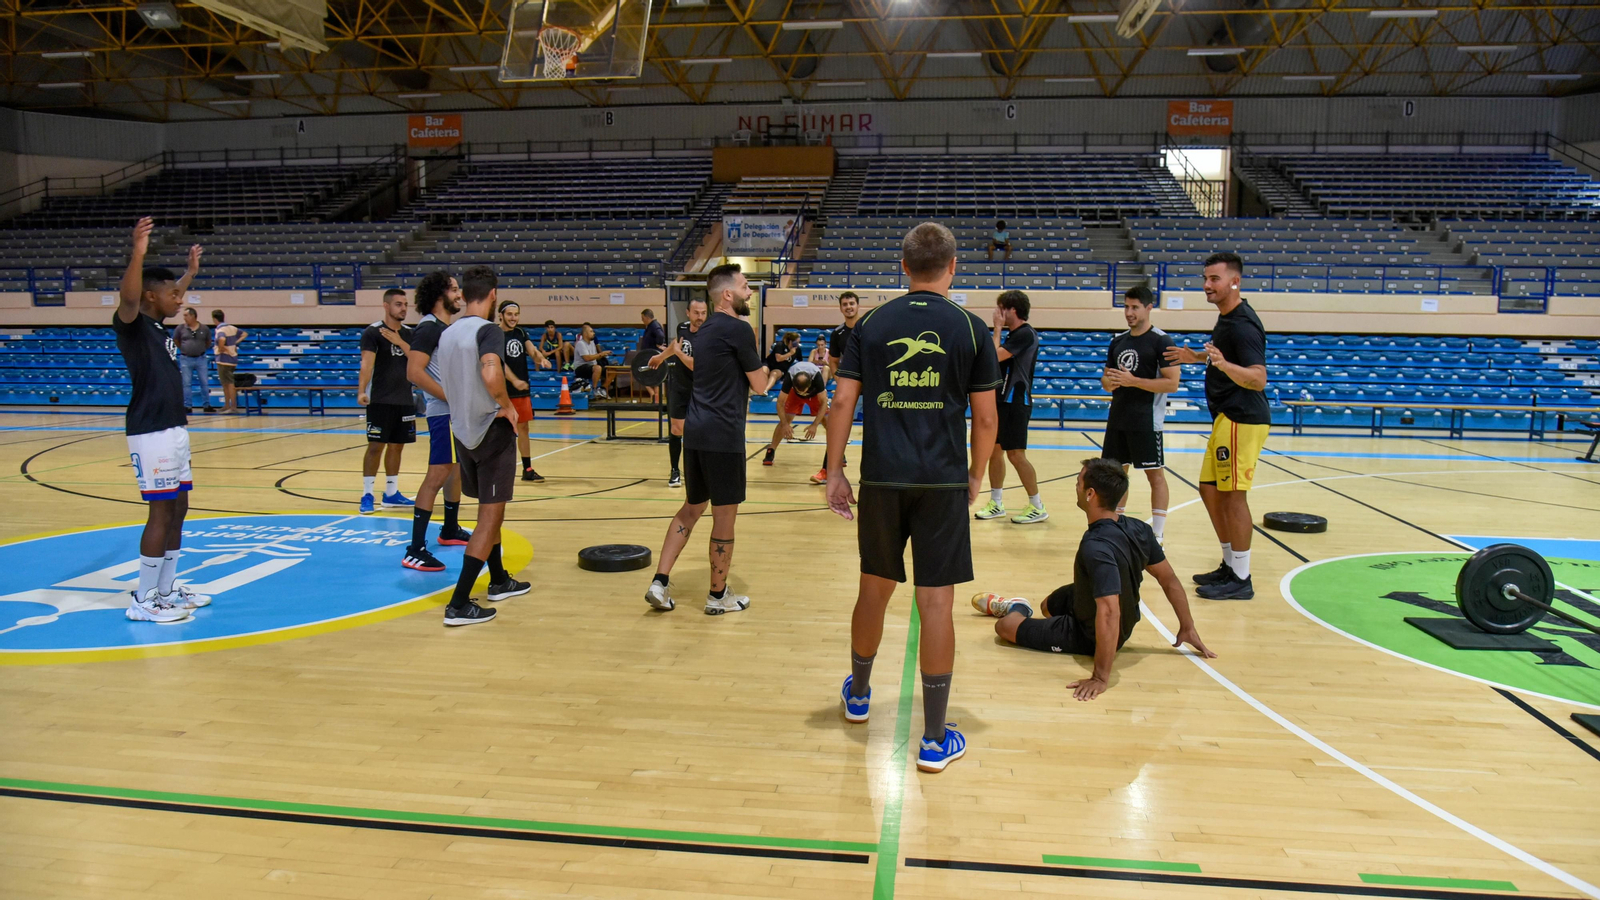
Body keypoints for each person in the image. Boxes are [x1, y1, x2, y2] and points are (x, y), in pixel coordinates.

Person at [825, 222, 1000, 774]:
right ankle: (932, 739)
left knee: (872, 591)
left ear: (903, 267)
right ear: (953, 267)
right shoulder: (972, 330)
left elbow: (842, 402)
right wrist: (974, 476)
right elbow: (987, 418)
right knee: (937, 606)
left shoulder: (871, 323)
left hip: (882, 480)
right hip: (941, 485)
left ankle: (858, 695)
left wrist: (834, 471)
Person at [975, 458, 1214, 700]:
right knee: (1048, 605)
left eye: (1078, 482)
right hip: (1103, 608)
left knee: (1004, 627)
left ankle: (1016, 607)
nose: (1076, 487)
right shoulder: (1139, 529)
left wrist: (1100, 677)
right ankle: (1042, 618)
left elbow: (1110, 611)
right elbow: (1169, 579)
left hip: (1090, 634)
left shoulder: (1095, 547)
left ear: (1090, 494)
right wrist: (1187, 626)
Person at [644, 264, 766, 615]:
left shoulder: (703, 331)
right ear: (727, 294)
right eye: (744, 286)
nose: (749, 292)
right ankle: (717, 596)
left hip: (695, 434)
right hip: (724, 436)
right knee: (723, 519)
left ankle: (660, 582)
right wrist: (772, 372)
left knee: (690, 509)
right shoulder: (740, 330)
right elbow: (759, 386)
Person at [114, 218, 209, 623]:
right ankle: (143, 599)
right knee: (160, 512)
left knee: (179, 508)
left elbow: (168, 293)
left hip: (173, 429)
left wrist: (188, 273)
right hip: (150, 429)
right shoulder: (134, 325)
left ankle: (167, 590)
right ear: (151, 296)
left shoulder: (158, 325)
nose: (181, 299)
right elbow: (131, 295)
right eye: (172, 293)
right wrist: (138, 252)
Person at [1164, 251, 1270, 601]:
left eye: (1214, 279)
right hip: (1226, 417)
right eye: (1205, 278)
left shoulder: (1242, 324)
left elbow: (1257, 378)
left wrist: (1223, 365)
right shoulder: (1227, 318)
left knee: (1232, 495)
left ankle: (1241, 577)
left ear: (1234, 281)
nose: (1207, 285)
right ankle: (1230, 563)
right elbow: (1222, 358)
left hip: (1242, 417)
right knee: (1210, 490)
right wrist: (1197, 357)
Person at [435, 265, 532, 626]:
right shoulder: (487, 330)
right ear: (493, 296)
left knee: (491, 513)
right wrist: (508, 406)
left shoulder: (448, 334)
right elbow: (492, 374)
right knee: (489, 519)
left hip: (462, 431)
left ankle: (500, 579)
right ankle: (459, 603)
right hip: (490, 429)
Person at [401, 271, 475, 573]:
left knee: (454, 471)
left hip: (453, 413)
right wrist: (451, 397)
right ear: (439, 295)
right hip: (442, 413)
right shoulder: (429, 327)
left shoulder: (445, 328)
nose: (459, 295)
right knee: (438, 473)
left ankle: (449, 528)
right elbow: (414, 373)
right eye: (454, 290)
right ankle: (415, 549)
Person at [1101, 285, 1179, 543]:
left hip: (1146, 421)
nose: (1129, 312)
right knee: (1115, 476)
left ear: (1148, 308)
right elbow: (1106, 379)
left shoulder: (1162, 341)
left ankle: (1157, 534)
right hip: (1118, 419)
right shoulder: (1117, 341)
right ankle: (1116, 526)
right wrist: (1110, 383)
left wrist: (1133, 381)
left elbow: (1172, 383)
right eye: (1126, 307)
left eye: (1134, 307)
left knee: (1154, 475)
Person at [973, 290, 1045, 525]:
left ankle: (1037, 506)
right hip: (1002, 401)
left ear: (1011, 310)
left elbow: (992, 358)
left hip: (1017, 401)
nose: (997, 313)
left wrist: (996, 328)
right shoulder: (1014, 335)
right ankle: (996, 502)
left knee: (1016, 455)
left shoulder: (1025, 334)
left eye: (1000, 308)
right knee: (996, 452)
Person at [357, 288, 416, 514]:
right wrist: (362, 391)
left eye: (405, 304)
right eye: (399, 304)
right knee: (375, 447)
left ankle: (391, 494)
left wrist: (400, 341)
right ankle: (367, 494)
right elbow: (366, 364)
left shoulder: (410, 334)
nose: (403, 308)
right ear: (386, 305)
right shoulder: (373, 332)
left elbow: (418, 359)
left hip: (404, 399)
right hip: (380, 400)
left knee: (397, 446)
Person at [649, 296, 707, 489]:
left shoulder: (709, 334)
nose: (700, 317)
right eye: (697, 313)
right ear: (688, 313)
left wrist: (680, 354)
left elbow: (695, 365)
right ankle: (675, 471)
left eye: (704, 313)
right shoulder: (682, 327)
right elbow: (676, 344)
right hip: (679, 386)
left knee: (699, 432)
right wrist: (660, 356)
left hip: (701, 389)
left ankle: (700, 471)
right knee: (676, 429)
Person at [499, 301, 553, 483]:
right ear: (501, 315)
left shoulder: (521, 333)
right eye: (509, 314)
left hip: (521, 391)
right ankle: (496, 469)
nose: (513, 318)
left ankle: (527, 469)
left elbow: (533, 351)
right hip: (501, 391)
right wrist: (513, 380)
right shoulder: (495, 335)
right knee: (500, 431)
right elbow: (499, 363)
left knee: (523, 428)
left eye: (516, 314)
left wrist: (541, 359)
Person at [816, 290, 862, 484]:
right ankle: (827, 470)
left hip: (874, 388)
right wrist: (839, 379)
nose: (849, 307)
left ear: (858, 305)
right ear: (840, 308)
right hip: (850, 388)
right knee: (837, 427)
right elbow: (833, 361)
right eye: (845, 304)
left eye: (852, 303)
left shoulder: (869, 327)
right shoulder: (837, 334)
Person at [762, 359, 827, 467]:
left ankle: (836, 454)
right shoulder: (790, 376)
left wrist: (815, 424)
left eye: (804, 391)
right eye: (799, 390)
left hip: (814, 395)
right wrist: (785, 424)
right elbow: (780, 403)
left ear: (809, 385)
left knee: (827, 421)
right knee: (786, 419)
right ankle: (771, 450)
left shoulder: (817, 377)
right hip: (794, 395)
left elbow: (824, 402)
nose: (803, 394)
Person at [173, 304, 215, 414]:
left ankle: (206, 405)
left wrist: (201, 349)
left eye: (186, 315)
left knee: (204, 382)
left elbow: (208, 342)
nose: (184, 317)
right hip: (186, 358)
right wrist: (183, 348)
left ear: (193, 316)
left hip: (200, 358)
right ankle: (187, 405)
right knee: (186, 383)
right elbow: (176, 340)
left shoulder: (204, 328)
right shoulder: (180, 328)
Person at [211, 308, 246, 414]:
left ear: (214, 319)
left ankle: (233, 406)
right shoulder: (231, 327)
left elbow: (222, 340)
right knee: (226, 383)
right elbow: (244, 334)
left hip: (223, 359)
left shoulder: (220, 330)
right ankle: (227, 405)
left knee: (229, 383)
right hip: (232, 359)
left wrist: (223, 348)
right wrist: (234, 343)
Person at [572, 322, 611, 398]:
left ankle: (602, 388)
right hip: (581, 367)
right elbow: (587, 358)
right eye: (591, 331)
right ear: (585, 334)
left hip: (592, 365)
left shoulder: (592, 343)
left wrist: (604, 355)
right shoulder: (580, 344)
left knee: (613, 369)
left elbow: (594, 357)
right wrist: (601, 354)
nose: (593, 333)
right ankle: (595, 389)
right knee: (597, 368)